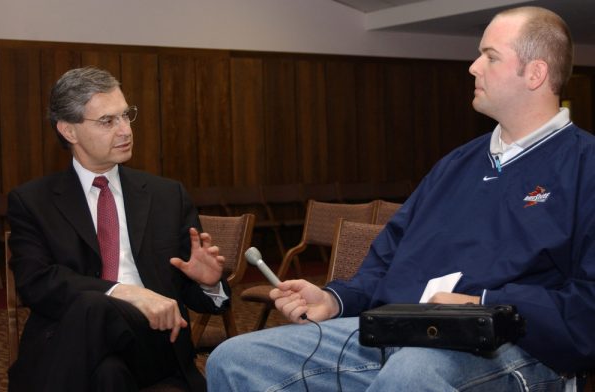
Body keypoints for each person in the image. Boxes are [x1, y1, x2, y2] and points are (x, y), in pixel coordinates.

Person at [206, 6, 595, 391]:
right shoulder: (455, 165)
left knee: (411, 373)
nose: (473, 67)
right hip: (402, 332)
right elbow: (386, 260)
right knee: (236, 360)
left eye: (489, 56)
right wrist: (335, 299)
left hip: (514, 346)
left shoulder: (584, 166)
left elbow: (587, 306)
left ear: (536, 73)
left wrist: (484, 304)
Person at [7, 66, 230, 391]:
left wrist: (209, 283)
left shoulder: (167, 195)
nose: (125, 130)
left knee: (91, 306)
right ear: (69, 131)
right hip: (78, 338)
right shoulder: (32, 201)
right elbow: (35, 283)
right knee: (107, 371)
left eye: (126, 116)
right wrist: (123, 292)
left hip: (156, 339)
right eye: (108, 121)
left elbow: (206, 300)